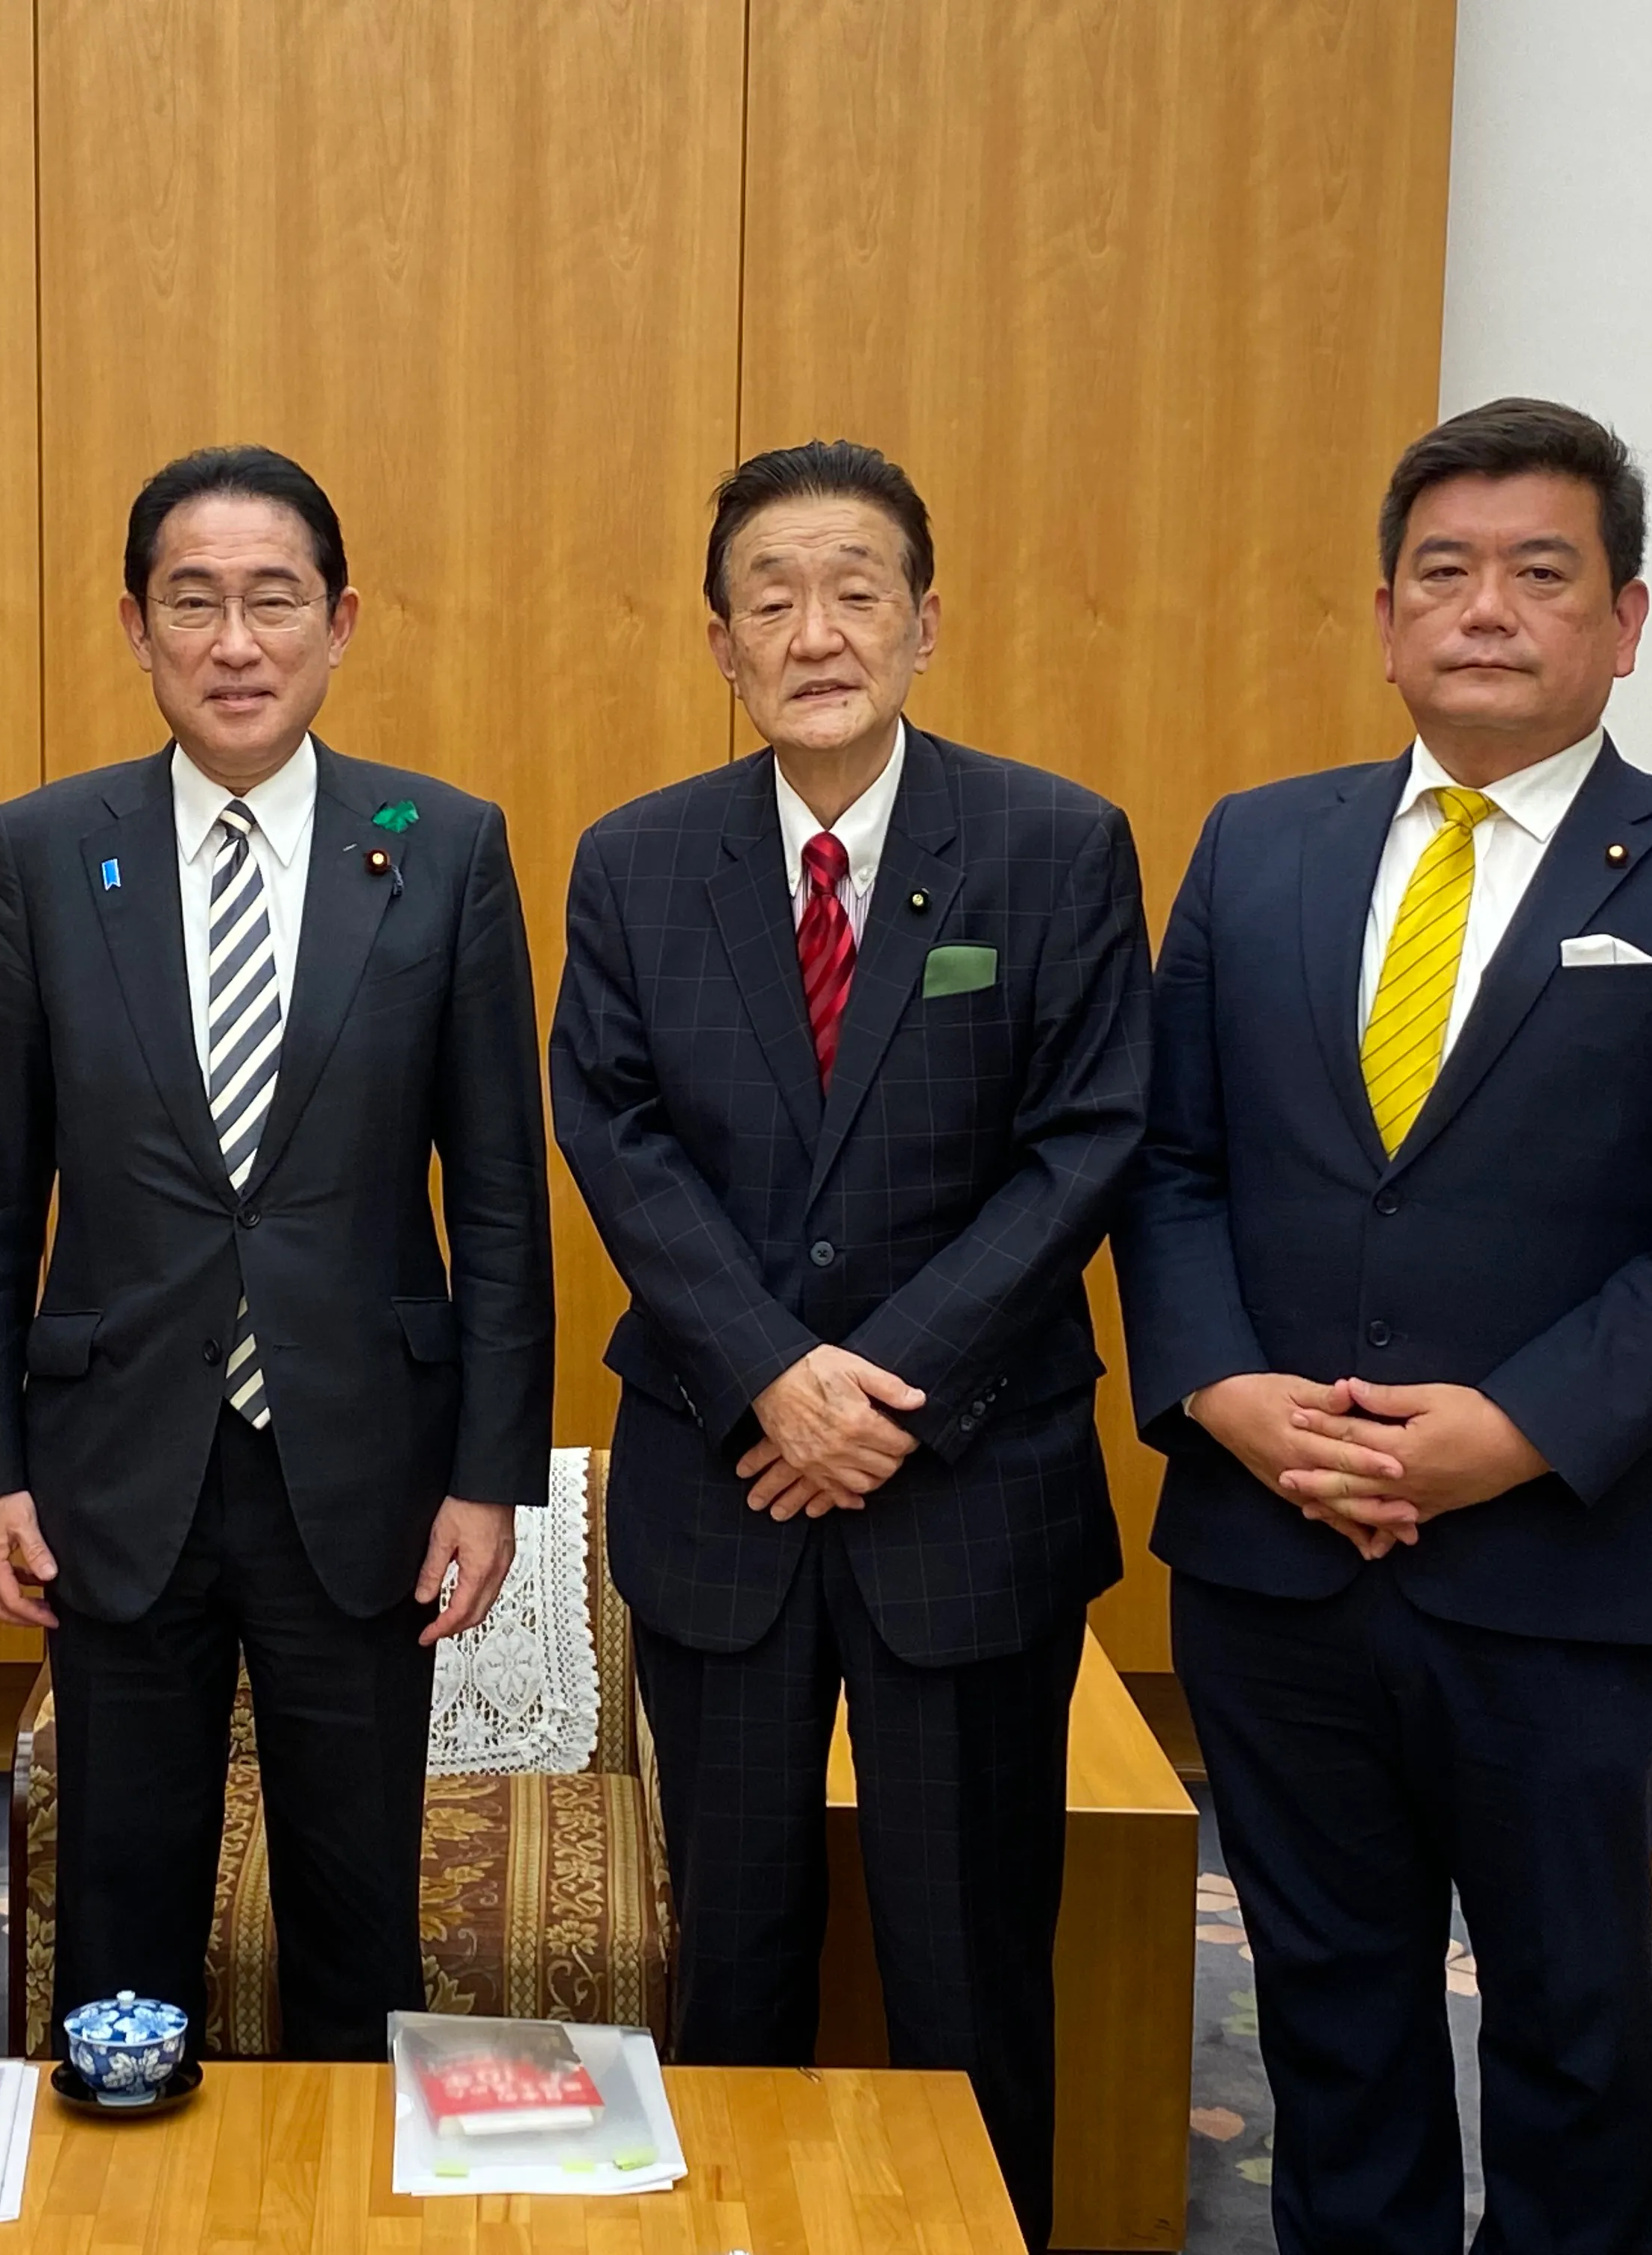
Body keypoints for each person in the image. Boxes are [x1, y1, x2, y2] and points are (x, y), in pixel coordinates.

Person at [1117, 397, 1652, 2254]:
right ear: (1386, 616)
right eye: (1445, 573)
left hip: (1560, 1558)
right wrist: (1222, 1393)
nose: (1488, 610)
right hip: (1276, 1554)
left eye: (1543, 573)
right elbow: (1169, 1162)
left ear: (1627, 619)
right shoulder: (1259, 849)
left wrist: (1504, 1434)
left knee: (1571, 2021)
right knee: (1328, 2013)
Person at [550, 438, 1150, 2247]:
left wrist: (875, 1388)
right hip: (725, 1483)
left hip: (965, 1483)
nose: (818, 629)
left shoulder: (1052, 846)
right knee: (729, 1957)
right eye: (772, 598)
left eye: (857, 587)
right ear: (720, 643)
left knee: (973, 1962)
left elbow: (1088, 1138)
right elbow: (614, 1129)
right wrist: (772, 1375)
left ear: (925, 619)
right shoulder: (640, 863)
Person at [0, 445, 553, 2060]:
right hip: (112, 1462)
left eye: (271, 600)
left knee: (360, 1909)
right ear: (136, 629)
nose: (234, 642)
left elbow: (497, 1196)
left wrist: (490, 1481)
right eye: (191, 603)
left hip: (363, 1462)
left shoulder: (446, 844)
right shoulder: (45, 849)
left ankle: (348, 2220)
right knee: (121, 1915)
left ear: (338, 623)